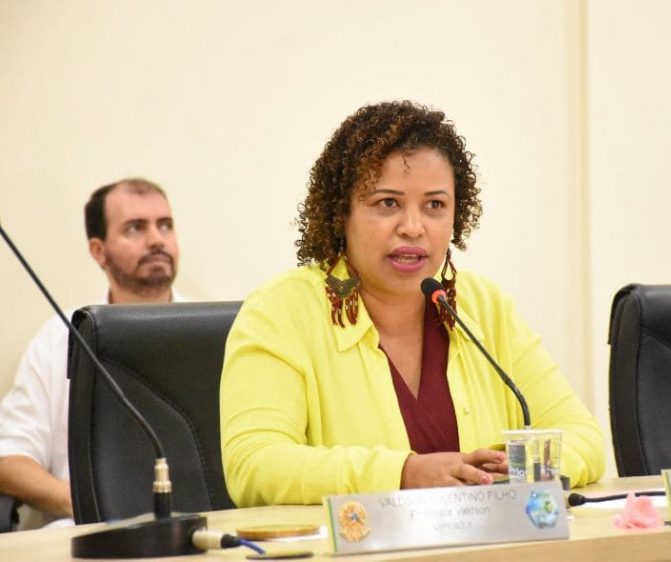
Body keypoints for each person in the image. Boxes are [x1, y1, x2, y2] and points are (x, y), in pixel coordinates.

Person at [220, 101, 605, 506]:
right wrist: (402, 475)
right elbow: (254, 463)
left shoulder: (483, 307)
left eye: (434, 205)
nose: (413, 227)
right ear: (341, 213)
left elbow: (583, 436)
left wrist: (510, 469)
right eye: (388, 203)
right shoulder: (281, 312)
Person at [0, 178, 182, 527]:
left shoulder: (211, 330)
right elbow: (9, 458)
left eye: (165, 225)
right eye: (135, 228)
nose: (156, 239)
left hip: (199, 526)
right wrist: (91, 505)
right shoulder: (61, 335)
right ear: (99, 251)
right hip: (87, 528)